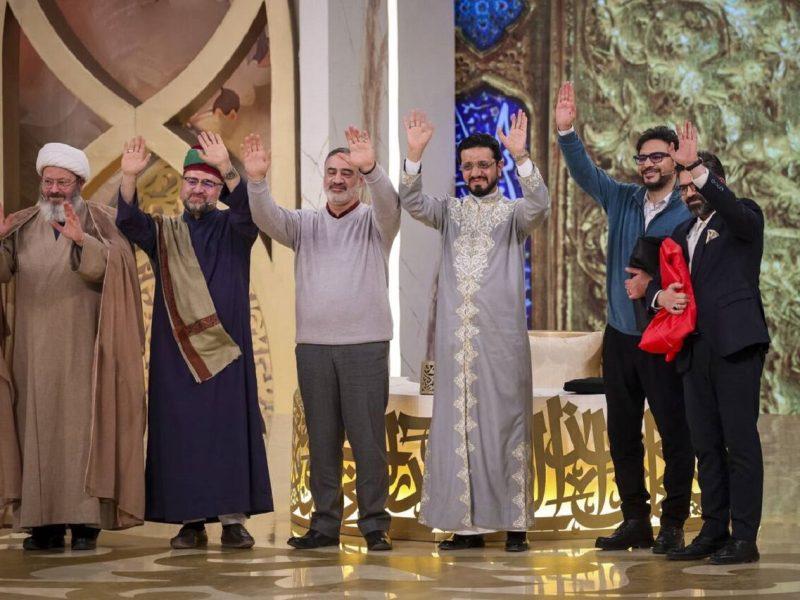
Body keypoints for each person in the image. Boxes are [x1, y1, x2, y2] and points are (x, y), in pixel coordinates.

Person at [399, 109, 549, 552]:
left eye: (484, 164)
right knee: (458, 429)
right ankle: (467, 529)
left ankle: (515, 525)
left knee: (505, 428)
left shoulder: (513, 214)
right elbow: (412, 203)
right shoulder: (450, 212)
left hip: (501, 346)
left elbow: (540, 205)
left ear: (498, 167)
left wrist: (523, 157)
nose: (476, 173)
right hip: (455, 348)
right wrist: (413, 154)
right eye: (468, 166)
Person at [555, 81, 695, 553]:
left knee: (675, 434)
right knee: (622, 435)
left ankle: (673, 523)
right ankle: (635, 519)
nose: (649, 164)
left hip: (666, 339)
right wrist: (566, 131)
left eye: (658, 156)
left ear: (674, 159)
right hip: (620, 336)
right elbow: (585, 173)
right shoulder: (623, 199)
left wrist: (657, 294)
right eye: (642, 158)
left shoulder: (689, 208)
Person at [115, 133, 273, 549]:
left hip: (226, 352)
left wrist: (229, 168)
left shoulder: (234, 228)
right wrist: (128, 177)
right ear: (181, 185)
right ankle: (191, 522)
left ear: (219, 191)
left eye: (207, 183)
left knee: (227, 433)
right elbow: (128, 222)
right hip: (176, 357)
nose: (198, 189)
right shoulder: (164, 233)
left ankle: (234, 521)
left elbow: (250, 211)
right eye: (191, 181)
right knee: (182, 435)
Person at [247, 129, 399, 551]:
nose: (337, 179)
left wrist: (372, 168)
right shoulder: (305, 224)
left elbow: (390, 205)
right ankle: (325, 525)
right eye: (332, 172)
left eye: (347, 173)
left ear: (358, 180)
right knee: (322, 441)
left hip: (365, 347)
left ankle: (374, 525)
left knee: (368, 442)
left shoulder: (375, 222)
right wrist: (256, 181)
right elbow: (267, 219)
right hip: (313, 348)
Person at [0, 143, 145, 551]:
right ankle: (41, 524)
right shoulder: (22, 224)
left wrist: (84, 242)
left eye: (63, 182)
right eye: (48, 181)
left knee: (82, 431)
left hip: (85, 348)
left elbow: (120, 267)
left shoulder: (100, 220)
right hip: (31, 351)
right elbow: (4, 272)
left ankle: (85, 523)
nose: (54, 189)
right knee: (35, 430)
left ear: (79, 183)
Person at [648, 122, 769, 564]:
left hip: (735, 347)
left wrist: (696, 168)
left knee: (739, 443)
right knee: (706, 446)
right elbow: (658, 283)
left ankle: (744, 538)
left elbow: (732, 209)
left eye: (693, 185)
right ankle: (714, 530)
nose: (688, 194)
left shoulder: (743, 217)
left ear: (714, 181)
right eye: (682, 189)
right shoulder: (681, 234)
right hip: (693, 352)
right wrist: (659, 296)